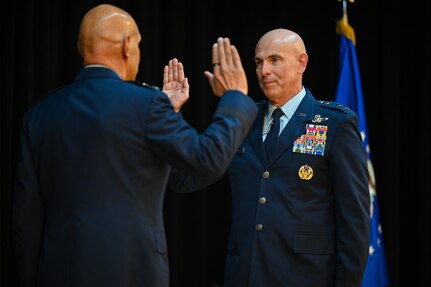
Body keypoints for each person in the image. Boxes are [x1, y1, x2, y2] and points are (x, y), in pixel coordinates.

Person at [12, 4, 258, 287]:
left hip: (58, 272)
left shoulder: (40, 114)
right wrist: (236, 97)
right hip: (132, 271)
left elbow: (25, 218)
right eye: (139, 45)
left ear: (81, 48)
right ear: (128, 45)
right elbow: (207, 159)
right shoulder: (147, 104)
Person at [171, 28, 370, 286]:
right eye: (258, 62)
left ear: (301, 63)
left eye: (275, 60)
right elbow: (185, 179)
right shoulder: (242, 120)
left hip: (306, 277)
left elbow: (354, 221)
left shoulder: (335, 123)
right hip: (244, 276)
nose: (264, 71)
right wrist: (171, 114)